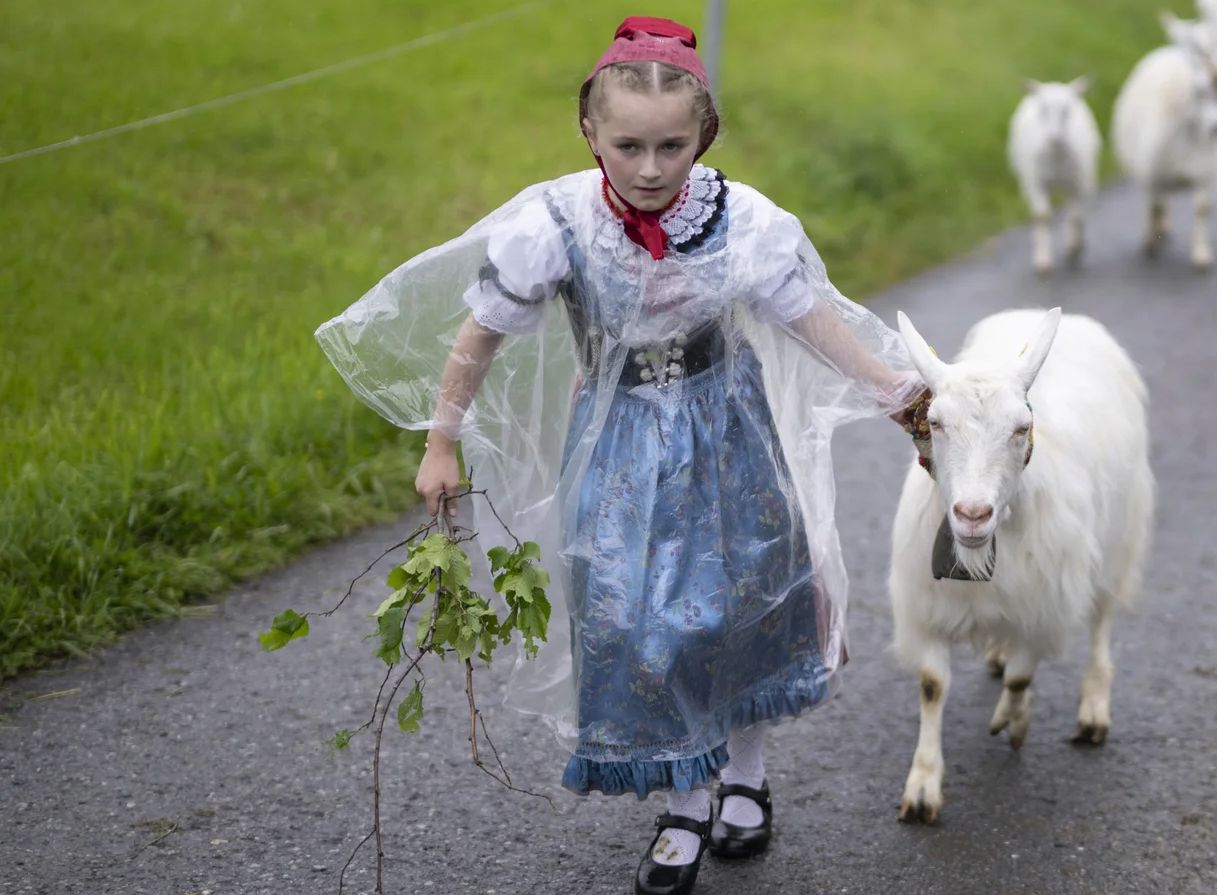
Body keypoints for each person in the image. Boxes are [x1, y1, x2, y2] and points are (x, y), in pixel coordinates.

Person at [315, 16, 928, 894]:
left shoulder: (741, 221)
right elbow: (480, 333)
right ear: (590, 132)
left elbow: (809, 315)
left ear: (702, 136)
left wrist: (893, 390)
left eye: (672, 146)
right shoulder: (556, 222)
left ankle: (744, 774)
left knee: (744, 598)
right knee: (646, 621)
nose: (649, 168)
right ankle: (684, 799)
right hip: (621, 442)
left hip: (727, 427)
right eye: (629, 145)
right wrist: (441, 440)